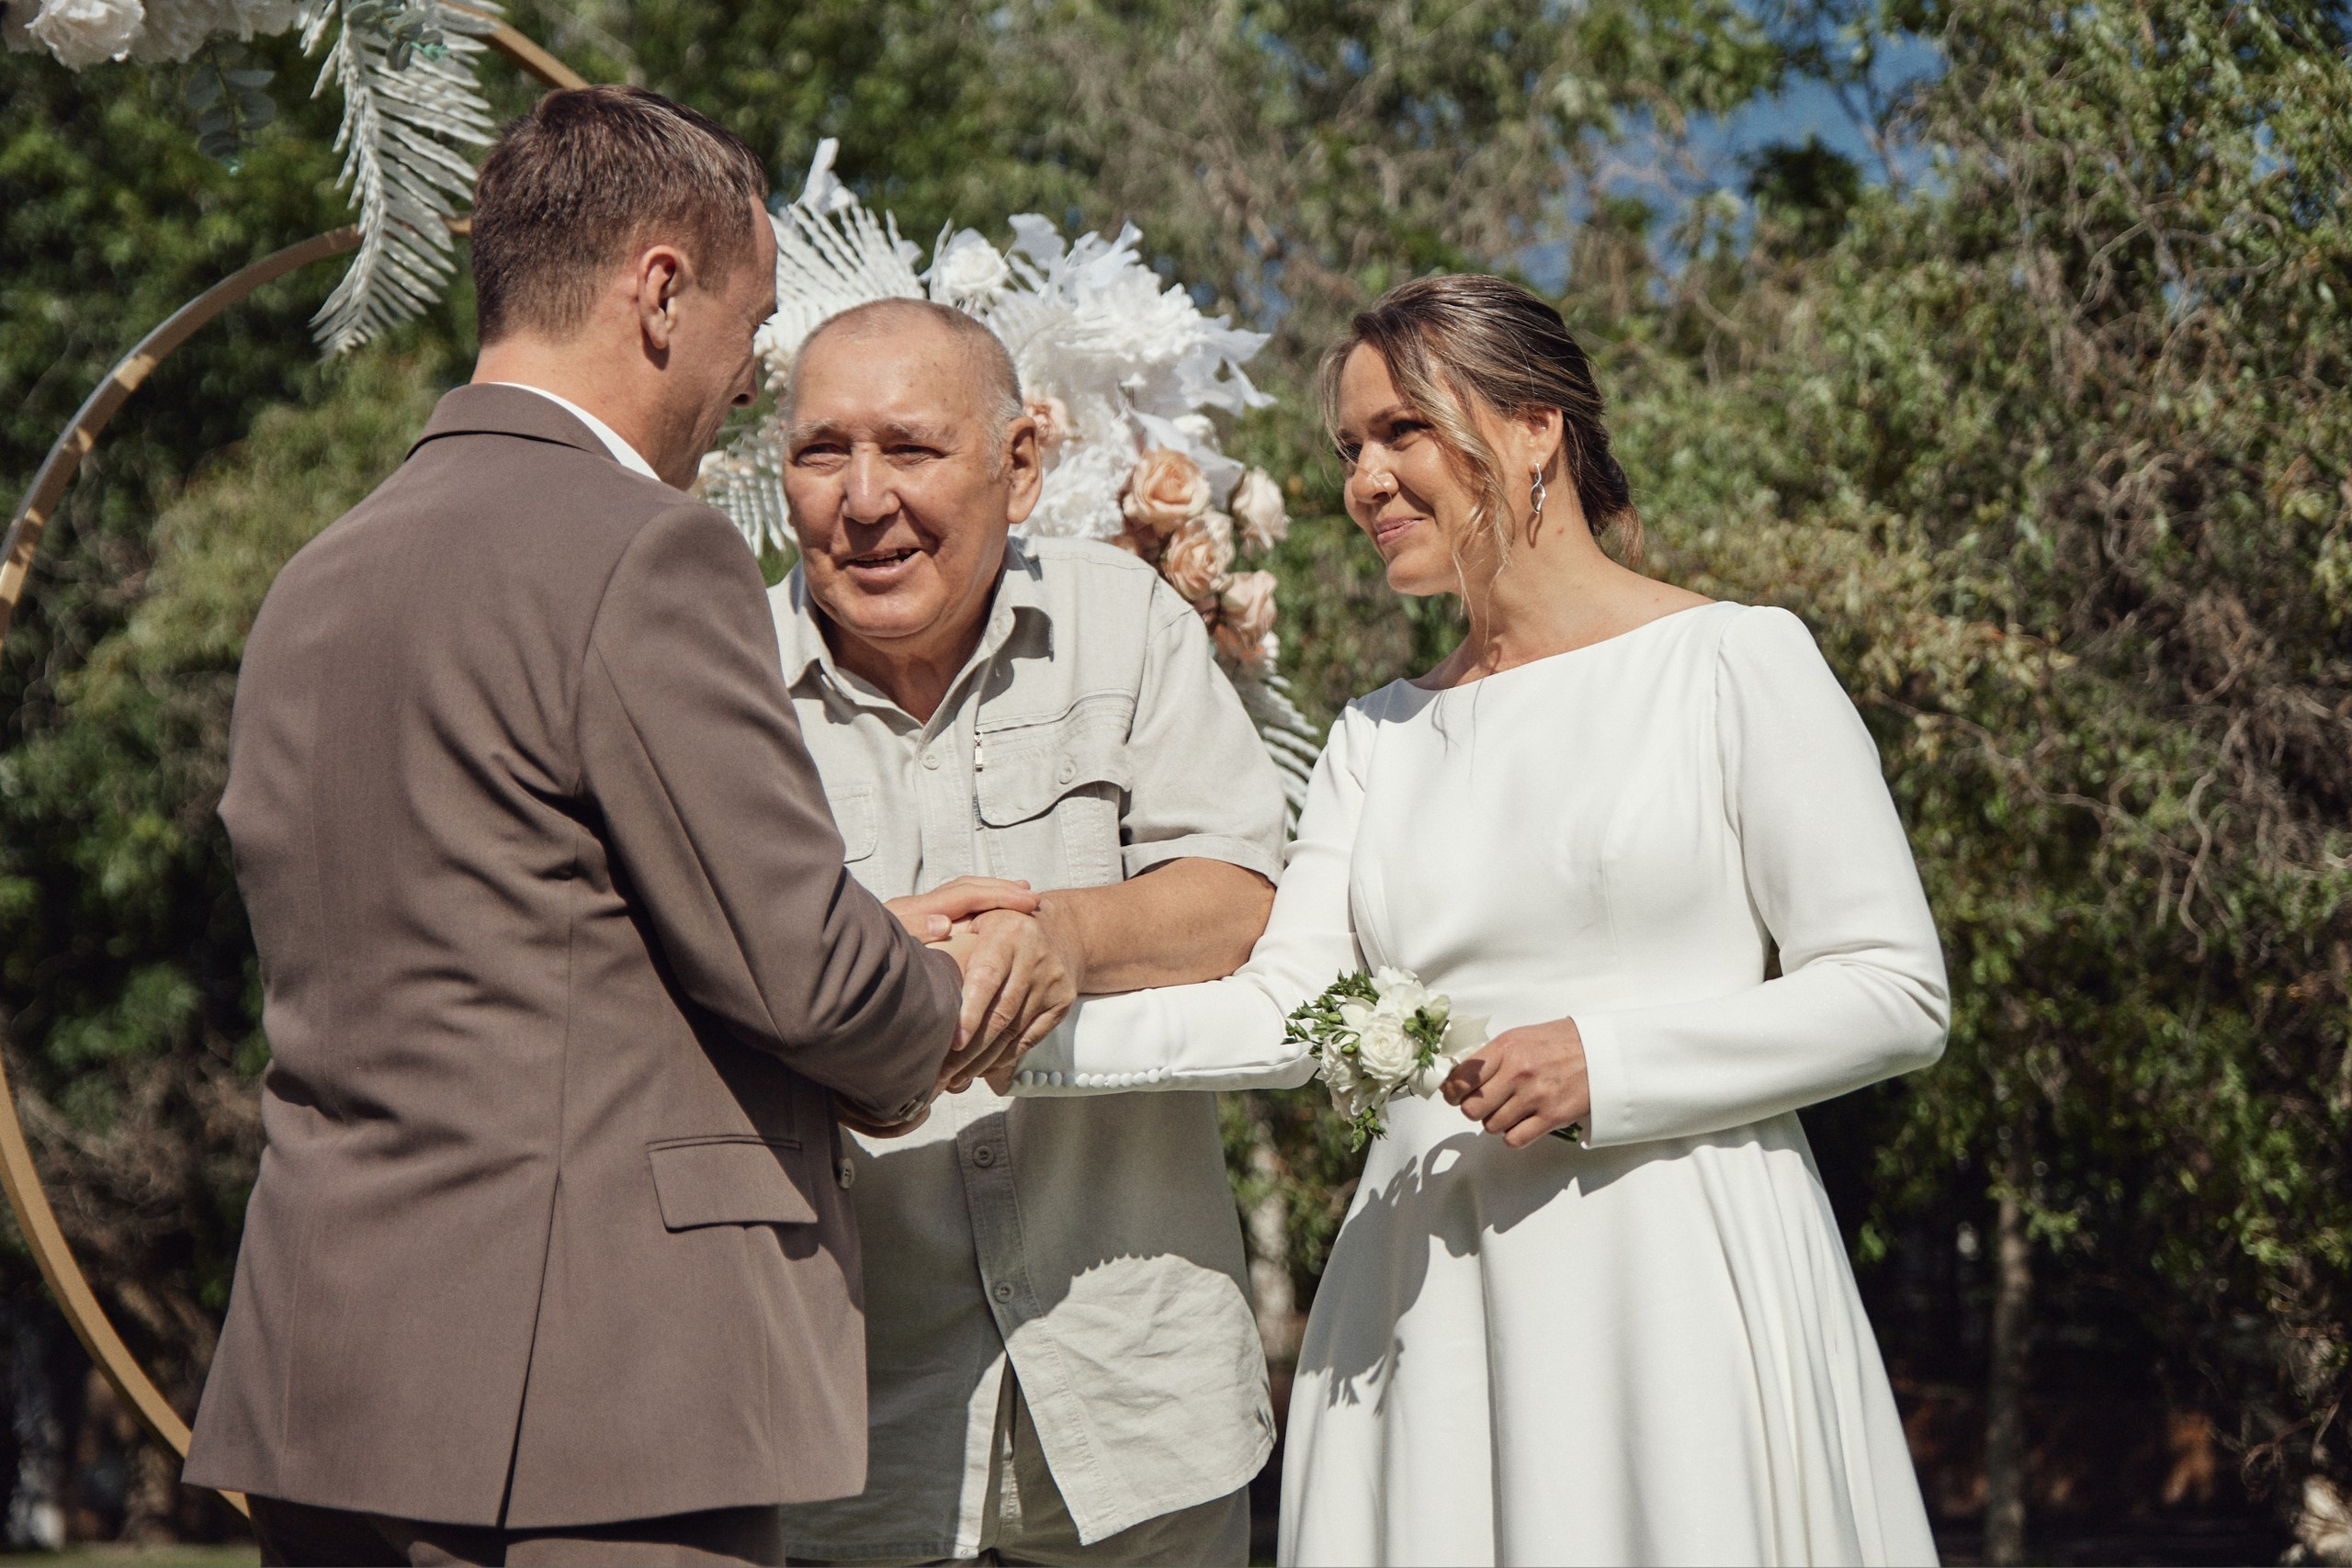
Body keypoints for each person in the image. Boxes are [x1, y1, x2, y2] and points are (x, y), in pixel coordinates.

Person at [182, 87, 1033, 1567]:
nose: (747, 383)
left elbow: (509, 931)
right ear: (659, 291)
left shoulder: (319, 577)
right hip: (597, 1406)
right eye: (751, 330)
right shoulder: (643, 549)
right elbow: (809, 980)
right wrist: (961, 980)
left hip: (331, 1381)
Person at [1008, 274, 1951, 1566]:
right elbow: (1285, 1010)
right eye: (1350, 448)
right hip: (1426, 1302)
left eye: (1402, 430)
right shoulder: (1377, 735)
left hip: (1670, 1275)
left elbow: (1895, 990)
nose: (1365, 479)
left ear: (1532, 428)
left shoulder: (1734, 664)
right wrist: (995, 1035)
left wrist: (1607, 1065)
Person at [763, 297, 1288, 1565]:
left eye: (912, 447)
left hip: (1140, 1404)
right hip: (849, 1442)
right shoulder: (709, 675)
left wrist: (1068, 939)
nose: (864, 497)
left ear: (1022, 466)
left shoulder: (1128, 622)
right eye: (823, 451)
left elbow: (1241, 896)